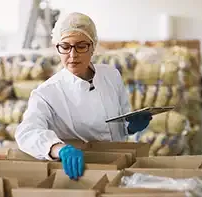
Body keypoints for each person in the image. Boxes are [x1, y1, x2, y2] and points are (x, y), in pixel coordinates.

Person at [15, 12, 152, 180]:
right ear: (57, 47)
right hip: (82, 172)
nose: (72, 55)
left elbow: (120, 121)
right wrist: (58, 148)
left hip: (121, 165)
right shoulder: (47, 93)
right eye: (65, 46)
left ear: (93, 47)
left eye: (81, 46)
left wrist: (130, 127)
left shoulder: (111, 75)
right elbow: (26, 132)